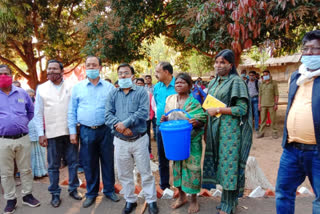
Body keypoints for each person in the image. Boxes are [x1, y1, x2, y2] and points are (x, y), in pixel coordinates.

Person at [202, 50, 253, 214]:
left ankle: (229, 205)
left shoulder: (236, 82)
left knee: (229, 167)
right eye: (216, 62)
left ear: (231, 65)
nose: (218, 65)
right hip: (214, 129)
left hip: (229, 131)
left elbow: (242, 109)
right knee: (221, 166)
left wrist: (219, 109)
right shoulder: (213, 82)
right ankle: (226, 200)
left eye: (223, 62)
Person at [276, 30, 320, 214]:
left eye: (315, 49)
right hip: (292, 149)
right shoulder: (296, 76)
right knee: (283, 193)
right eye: (306, 48)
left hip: (317, 151)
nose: (309, 53)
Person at [105, 63, 158, 214]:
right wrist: (120, 127)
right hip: (120, 141)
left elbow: (143, 112)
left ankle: (151, 200)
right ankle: (130, 200)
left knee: (145, 171)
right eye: (120, 73)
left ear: (133, 76)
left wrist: (125, 124)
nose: (123, 76)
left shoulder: (141, 92)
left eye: (126, 73)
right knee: (124, 173)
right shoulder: (113, 94)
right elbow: (108, 115)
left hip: (139, 139)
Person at [68, 56, 119, 208]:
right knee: (89, 163)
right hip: (86, 131)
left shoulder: (109, 87)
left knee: (108, 161)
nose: (91, 68)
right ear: (85, 67)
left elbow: (115, 109)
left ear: (100, 68)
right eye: (88, 65)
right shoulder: (78, 87)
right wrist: (72, 131)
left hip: (106, 130)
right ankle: (91, 193)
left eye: (94, 65)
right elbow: (72, 111)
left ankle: (109, 190)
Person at [34, 60, 82, 207]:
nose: (50, 71)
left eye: (54, 69)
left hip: (70, 132)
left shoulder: (72, 86)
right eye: (49, 69)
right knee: (53, 166)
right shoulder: (41, 88)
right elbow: (38, 113)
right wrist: (40, 134)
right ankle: (55, 193)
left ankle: (73, 189)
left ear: (61, 72)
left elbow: (76, 108)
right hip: (52, 133)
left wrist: (76, 128)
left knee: (73, 163)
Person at [161, 73, 206, 214]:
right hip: (175, 141)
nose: (178, 85)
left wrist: (196, 122)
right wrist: (164, 119)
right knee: (177, 168)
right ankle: (181, 196)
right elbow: (169, 117)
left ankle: (193, 199)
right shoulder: (170, 100)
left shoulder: (194, 102)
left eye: (182, 83)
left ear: (190, 86)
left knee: (193, 169)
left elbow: (202, 118)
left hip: (191, 141)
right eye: (177, 83)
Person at [0, 64, 40, 214]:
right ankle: (10, 199)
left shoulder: (22, 93)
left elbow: (30, 111)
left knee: (26, 169)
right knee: (6, 172)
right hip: (2, 140)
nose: (3, 76)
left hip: (23, 138)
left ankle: (27, 195)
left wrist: (20, 124)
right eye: (0, 73)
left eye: (6, 73)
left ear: (11, 76)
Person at [153, 62, 177, 190]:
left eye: (158, 72)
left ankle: (180, 186)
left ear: (166, 72)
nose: (155, 74)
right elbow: (158, 104)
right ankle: (164, 186)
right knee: (162, 157)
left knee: (178, 156)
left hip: (176, 127)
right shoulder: (157, 87)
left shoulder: (178, 85)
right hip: (160, 126)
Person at [26, 89, 47, 179]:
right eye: (28, 96)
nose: (31, 98)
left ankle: (42, 171)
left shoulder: (38, 105)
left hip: (39, 131)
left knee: (41, 152)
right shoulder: (23, 106)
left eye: (32, 96)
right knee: (31, 153)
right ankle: (33, 173)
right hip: (28, 131)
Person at [257, 70, 279, 139]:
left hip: (271, 105)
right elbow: (260, 95)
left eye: (267, 74)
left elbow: (276, 94)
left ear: (269, 75)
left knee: (273, 120)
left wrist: (276, 104)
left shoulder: (274, 83)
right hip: (263, 105)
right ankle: (261, 133)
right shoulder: (261, 84)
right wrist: (259, 104)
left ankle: (274, 132)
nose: (265, 76)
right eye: (264, 75)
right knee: (263, 120)